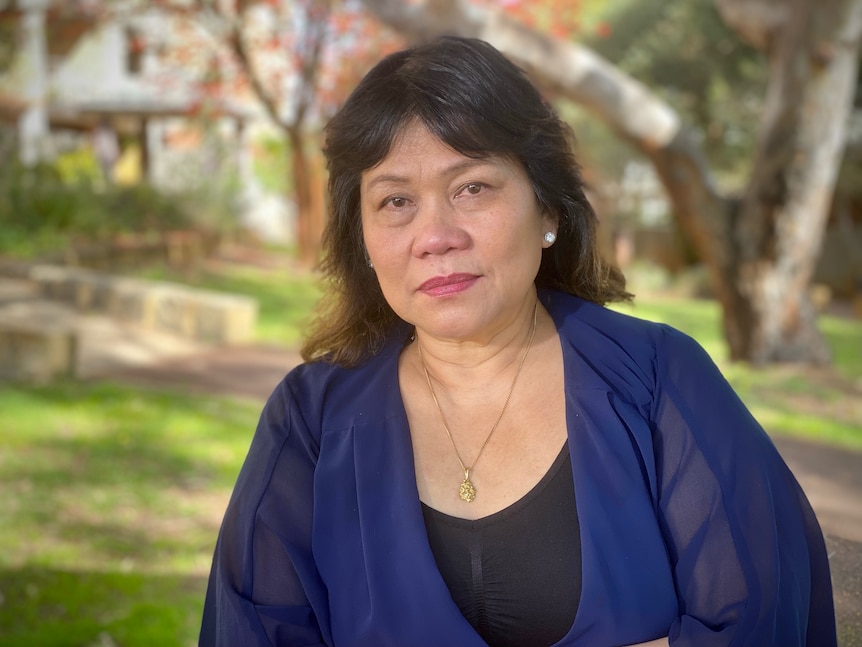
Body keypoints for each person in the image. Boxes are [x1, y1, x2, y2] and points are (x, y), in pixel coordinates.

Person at [200, 37, 837, 647]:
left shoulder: (657, 379)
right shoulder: (309, 420)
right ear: (362, 238)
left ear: (549, 210)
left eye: (472, 188)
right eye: (395, 201)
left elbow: (758, 622)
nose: (436, 235)